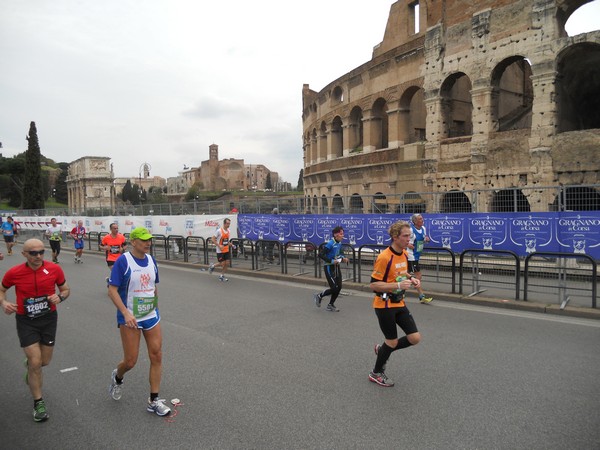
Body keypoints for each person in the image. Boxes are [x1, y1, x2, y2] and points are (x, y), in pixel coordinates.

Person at [0, 238, 70, 421]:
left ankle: (31, 367)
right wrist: (4, 302)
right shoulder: (14, 273)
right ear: (24, 254)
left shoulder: (54, 269)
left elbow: (65, 289)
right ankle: (38, 403)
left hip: (48, 319)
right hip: (26, 320)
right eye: (33, 253)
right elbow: (2, 289)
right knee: (36, 361)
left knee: (44, 361)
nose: (38, 256)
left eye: (41, 252)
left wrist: (60, 297)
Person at [107, 227, 171, 417]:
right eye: (143, 239)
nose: (148, 242)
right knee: (131, 361)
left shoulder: (152, 260)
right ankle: (117, 377)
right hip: (130, 317)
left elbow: (153, 286)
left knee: (157, 355)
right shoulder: (123, 261)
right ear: (133, 242)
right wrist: (125, 313)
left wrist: (155, 306)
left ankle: (154, 400)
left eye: (149, 239)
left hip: (150, 314)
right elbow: (112, 290)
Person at [368, 221, 421, 388]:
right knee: (391, 341)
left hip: (399, 303)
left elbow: (401, 271)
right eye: (405, 236)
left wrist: (411, 278)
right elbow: (373, 285)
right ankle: (375, 373)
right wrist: (398, 285)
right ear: (395, 237)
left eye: (409, 235)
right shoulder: (384, 257)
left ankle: (383, 350)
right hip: (384, 305)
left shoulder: (404, 253)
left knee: (414, 338)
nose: (409, 239)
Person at [313, 226, 349, 312]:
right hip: (329, 267)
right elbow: (321, 254)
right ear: (336, 235)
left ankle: (330, 305)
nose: (343, 235)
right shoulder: (330, 243)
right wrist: (332, 261)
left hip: (336, 267)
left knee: (339, 287)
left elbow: (340, 253)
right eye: (341, 234)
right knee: (334, 287)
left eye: (343, 233)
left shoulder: (339, 243)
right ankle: (319, 296)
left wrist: (343, 258)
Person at [407, 213, 433, 304]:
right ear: (415, 221)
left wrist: (426, 239)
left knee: (404, 275)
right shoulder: (410, 230)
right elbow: (403, 240)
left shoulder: (423, 228)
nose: (422, 220)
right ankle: (421, 296)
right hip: (411, 256)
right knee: (418, 276)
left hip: (417, 255)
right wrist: (408, 244)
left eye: (422, 219)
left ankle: (398, 290)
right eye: (420, 219)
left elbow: (423, 238)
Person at [209, 218, 231, 282]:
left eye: (229, 223)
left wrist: (231, 244)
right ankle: (212, 266)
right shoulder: (219, 231)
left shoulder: (229, 231)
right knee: (222, 263)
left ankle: (221, 275)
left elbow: (226, 240)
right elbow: (212, 239)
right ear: (224, 224)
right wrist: (219, 246)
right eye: (227, 223)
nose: (228, 225)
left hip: (226, 250)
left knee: (227, 263)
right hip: (220, 251)